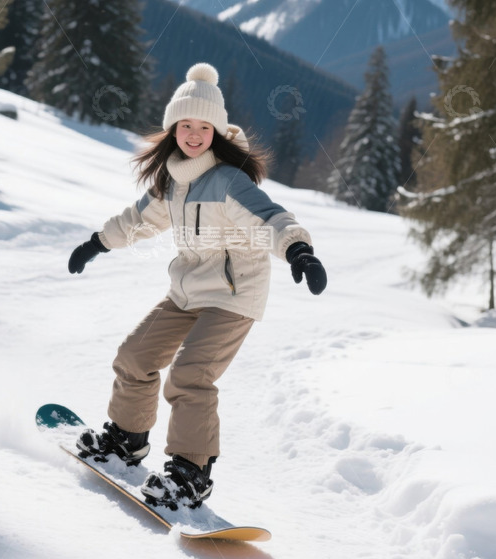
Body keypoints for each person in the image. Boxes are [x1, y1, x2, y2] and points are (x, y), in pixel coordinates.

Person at [68, 63, 327, 509]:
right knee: (135, 357)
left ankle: (191, 473)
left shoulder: (229, 181)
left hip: (233, 297)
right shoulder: (172, 179)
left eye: (202, 126)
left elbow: (270, 219)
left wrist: (298, 250)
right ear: (173, 129)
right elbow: (140, 220)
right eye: (184, 125)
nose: (192, 134)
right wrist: (98, 243)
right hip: (187, 291)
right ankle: (128, 439)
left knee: (190, 375)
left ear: (217, 131)